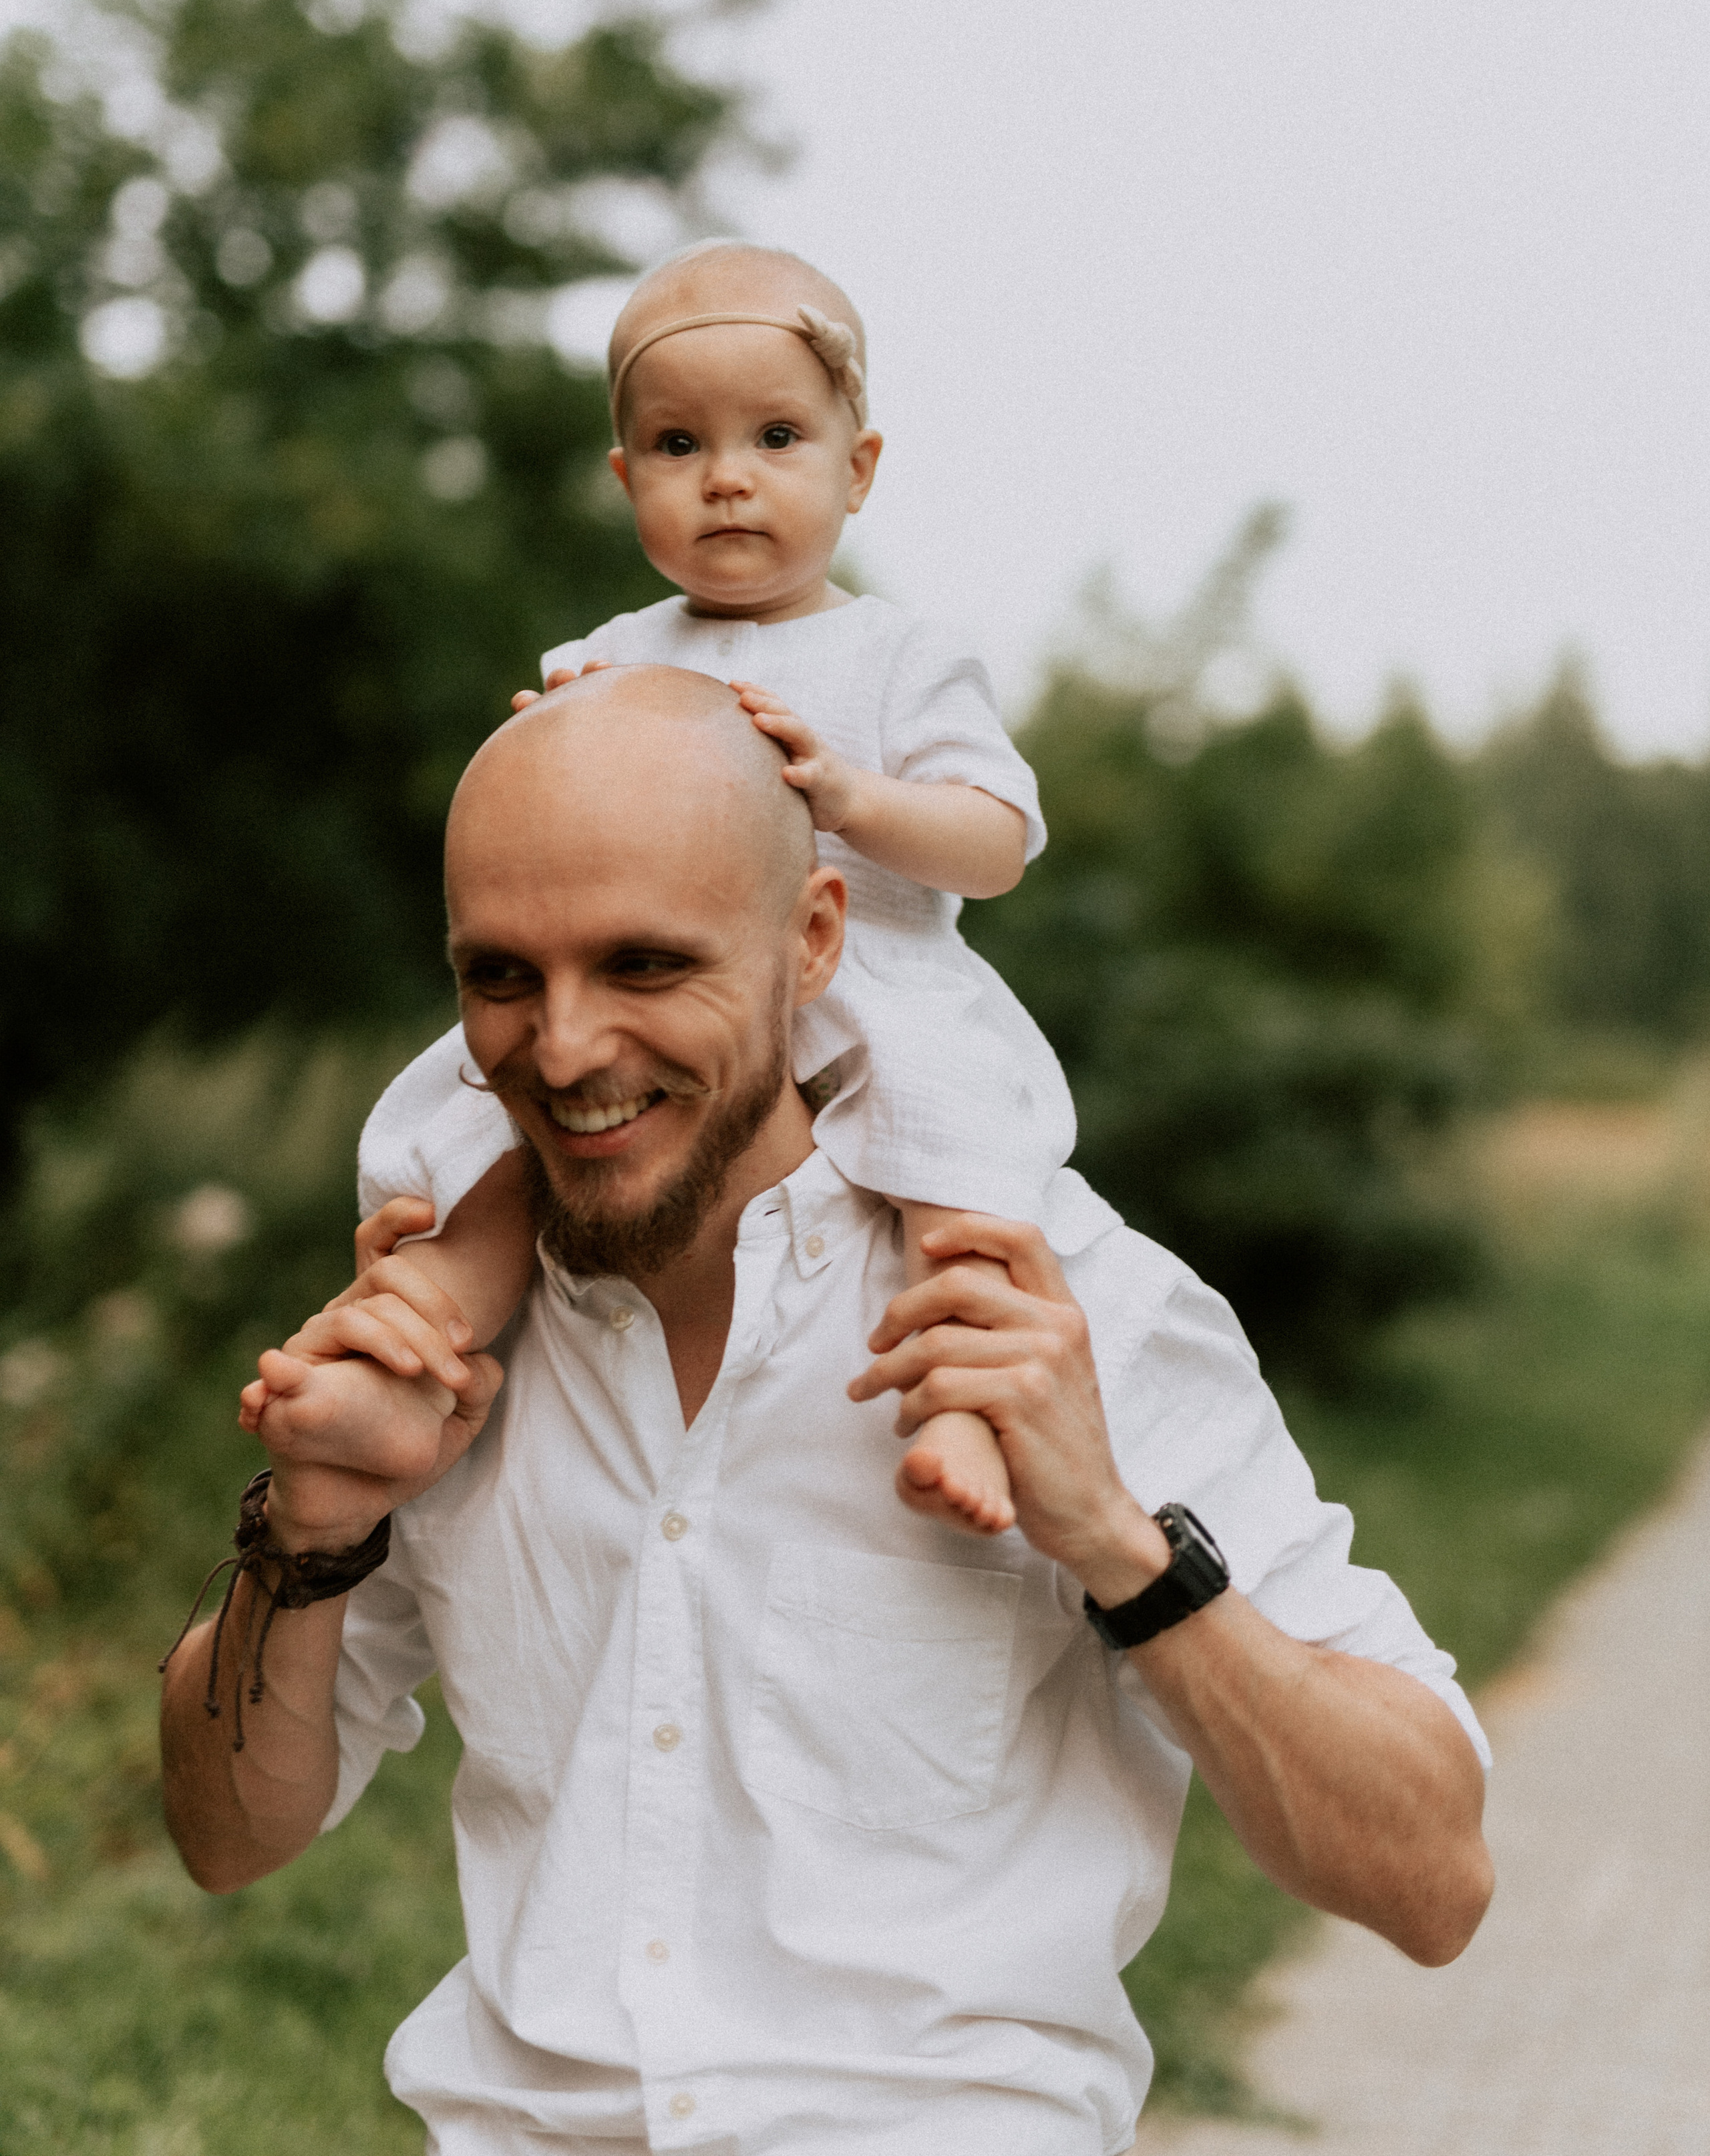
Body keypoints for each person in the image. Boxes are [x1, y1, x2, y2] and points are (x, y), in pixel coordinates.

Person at [164, 668, 1493, 2156]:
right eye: (501, 978)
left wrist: (1117, 1543)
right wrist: (315, 1528)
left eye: (647, 966)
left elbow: (1428, 1880)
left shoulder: (1070, 1314)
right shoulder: (433, 1331)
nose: (565, 1047)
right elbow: (228, 1838)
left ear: (811, 940)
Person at [250, 238, 1079, 1537]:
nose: (729, 480)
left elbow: (997, 839)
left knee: (960, 1149)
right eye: (680, 448)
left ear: (856, 470)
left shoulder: (897, 656)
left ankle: (962, 1397)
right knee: (500, 1113)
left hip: (879, 981)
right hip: (653, 996)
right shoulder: (609, 657)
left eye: (777, 437)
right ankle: (427, 1327)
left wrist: (853, 800)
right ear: (625, 479)